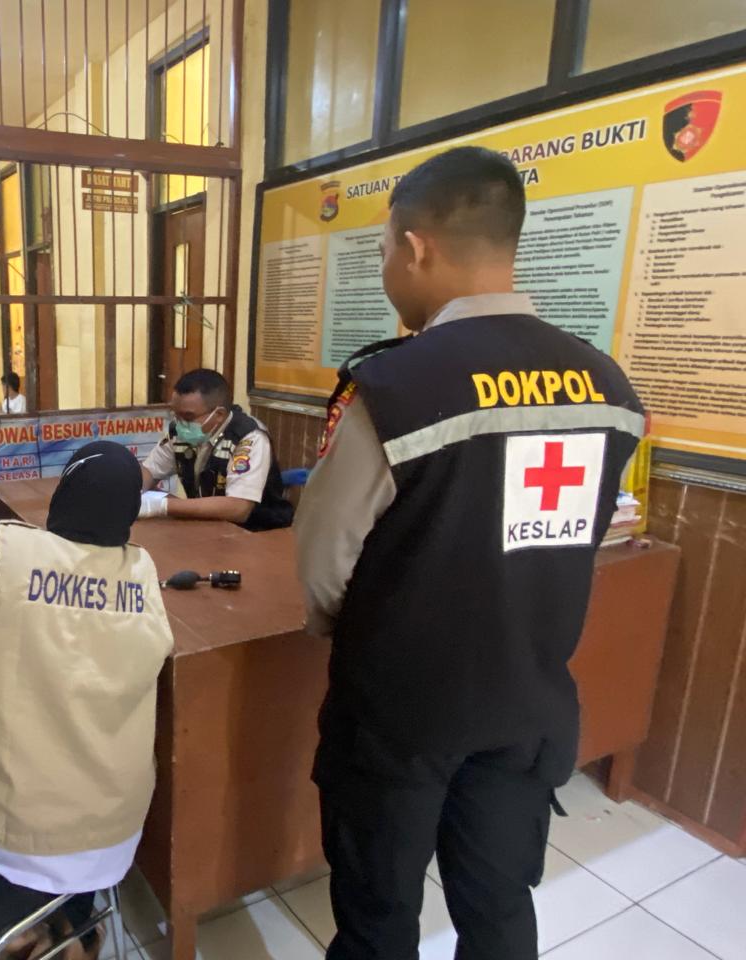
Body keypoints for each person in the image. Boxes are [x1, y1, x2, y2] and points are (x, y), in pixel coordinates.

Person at [294, 146, 645, 960]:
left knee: (378, 914)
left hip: (400, 709)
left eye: (385, 250)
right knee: (498, 906)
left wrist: (360, 628)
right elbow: (580, 535)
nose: (386, 268)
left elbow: (324, 560)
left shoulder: (397, 387)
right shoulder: (609, 385)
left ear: (416, 246)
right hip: (528, 698)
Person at [0, 441, 174, 960]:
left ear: (63, 495)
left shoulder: (3, 557)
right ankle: (72, 927)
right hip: (115, 838)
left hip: (8, 834)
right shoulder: (145, 577)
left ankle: (36, 930)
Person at [137, 368, 293, 530]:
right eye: (176, 415)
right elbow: (149, 471)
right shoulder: (179, 432)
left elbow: (239, 508)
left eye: (188, 417)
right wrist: (135, 491)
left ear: (219, 414)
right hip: (208, 526)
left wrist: (162, 505)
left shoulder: (248, 436)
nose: (180, 423)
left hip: (257, 532)